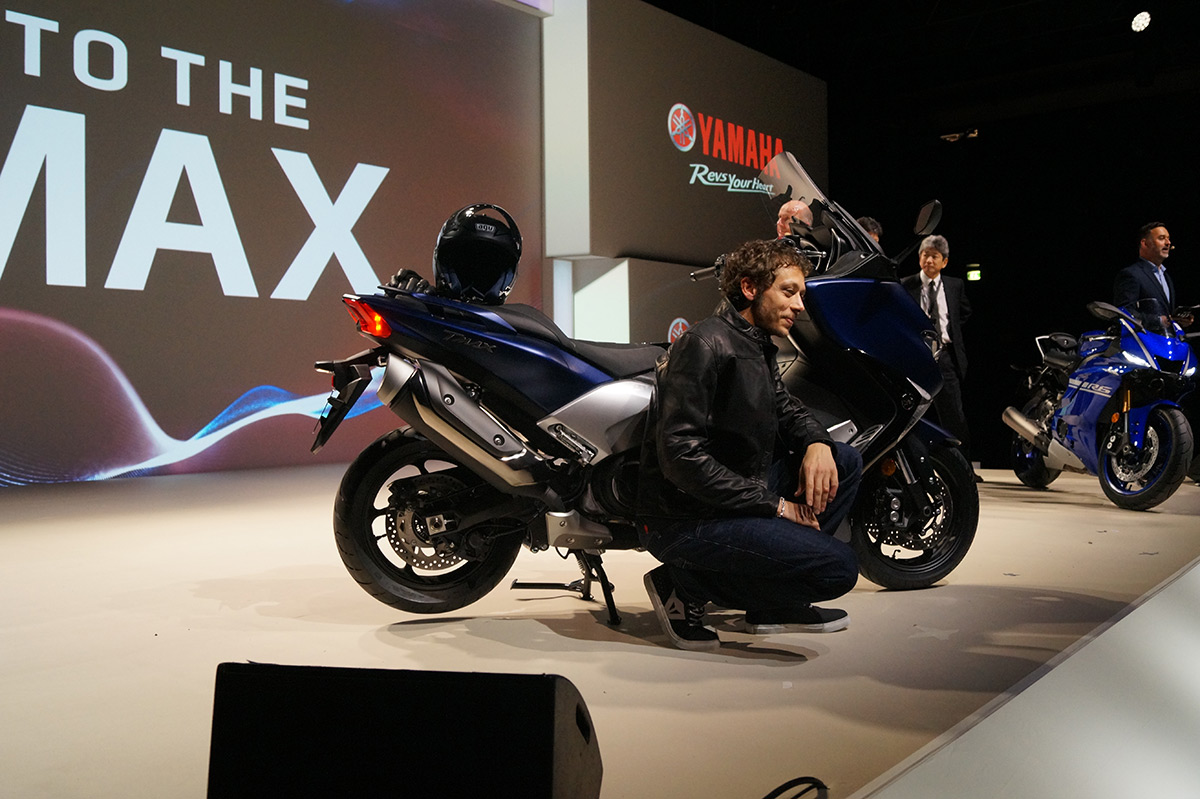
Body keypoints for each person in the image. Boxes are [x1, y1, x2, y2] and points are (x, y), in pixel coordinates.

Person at [637, 238, 863, 651]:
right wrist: (775, 505)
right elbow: (680, 457)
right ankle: (683, 583)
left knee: (844, 460)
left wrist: (817, 443)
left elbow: (787, 409)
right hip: (686, 518)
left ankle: (772, 604)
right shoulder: (704, 344)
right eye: (788, 292)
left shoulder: (756, 344)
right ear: (749, 288)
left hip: (735, 494)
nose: (799, 305)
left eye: (801, 295)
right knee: (839, 568)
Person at [901, 235, 974, 469]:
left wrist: (949, 332)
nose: (929, 260)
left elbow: (964, 312)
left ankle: (963, 467)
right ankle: (912, 466)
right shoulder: (906, 284)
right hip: (916, 356)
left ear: (945, 261)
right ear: (919, 258)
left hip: (945, 356)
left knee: (954, 414)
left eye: (935, 256)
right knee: (912, 411)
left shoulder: (954, 285)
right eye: (925, 255)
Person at [1114, 222, 1174, 312]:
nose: (1168, 243)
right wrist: (1158, 319)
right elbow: (1124, 312)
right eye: (1161, 238)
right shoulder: (1131, 274)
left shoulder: (1166, 276)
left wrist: (1177, 319)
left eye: (1168, 238)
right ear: (1145, 243)